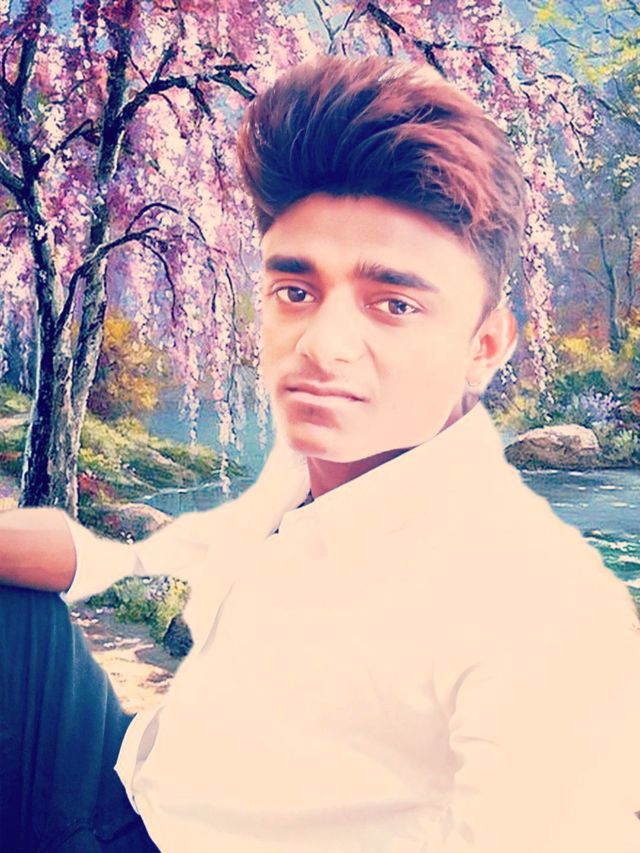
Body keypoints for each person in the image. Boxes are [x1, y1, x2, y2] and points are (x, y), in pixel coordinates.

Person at [1, 54, 639, 853]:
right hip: (132, 783)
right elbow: (130, 554)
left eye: (393, 303)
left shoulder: (534, 604)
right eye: (296, 292)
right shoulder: (305, 475)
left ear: (485, 345)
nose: (323, 344)